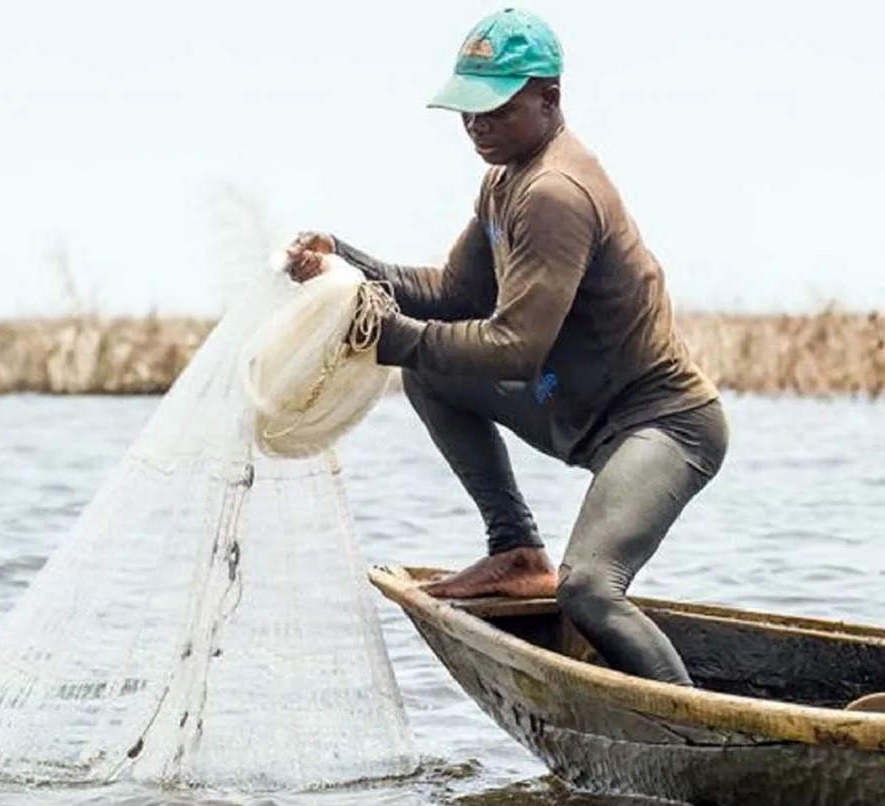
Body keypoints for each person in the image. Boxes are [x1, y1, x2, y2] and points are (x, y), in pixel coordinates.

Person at [284, 8, 726, 686]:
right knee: (431, 375)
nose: (475, 124)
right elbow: (454, 293)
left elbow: (516, 348)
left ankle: (702, 742)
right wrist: (346, 261)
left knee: (589, 592)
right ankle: (515, 550)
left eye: (495, 108)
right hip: (569, 408)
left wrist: (392, 337)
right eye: (467, 109)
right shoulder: (504, 180)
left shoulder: (554, 191)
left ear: (549, 98)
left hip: (660, 426)